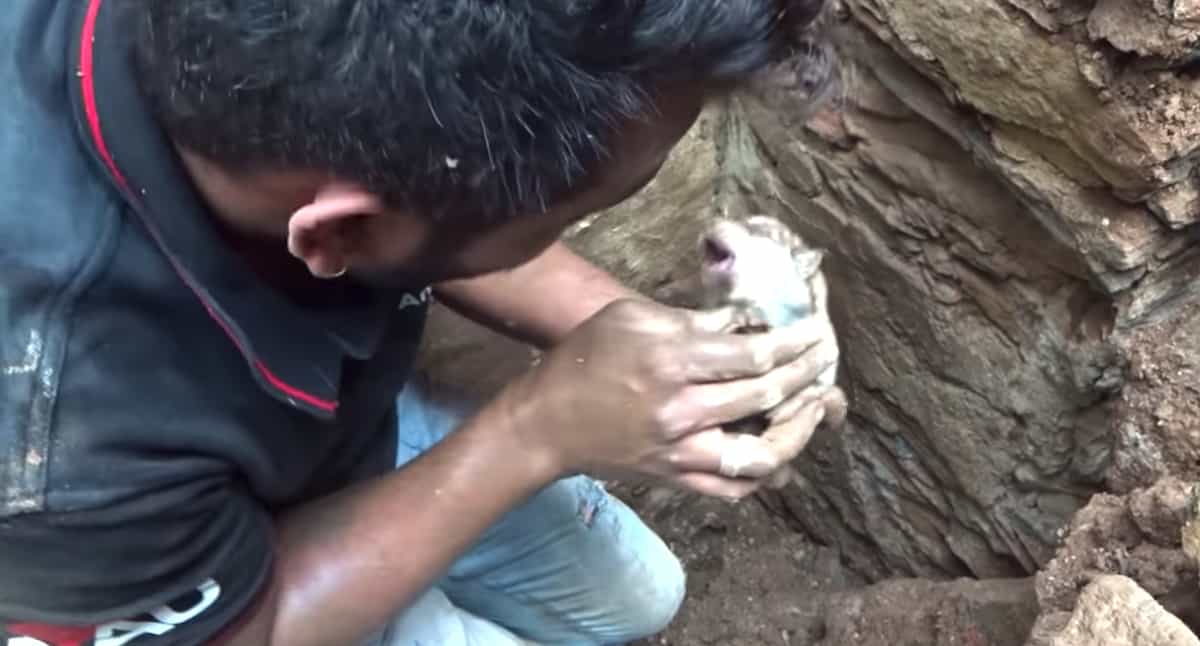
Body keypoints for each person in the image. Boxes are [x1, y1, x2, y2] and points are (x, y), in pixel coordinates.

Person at [0, 0, 841, 644]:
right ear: (341, 232)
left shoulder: (307, 117)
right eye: (562, 215)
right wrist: (537, 430)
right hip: (202, 581)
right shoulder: (56, 451)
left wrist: (673, 355)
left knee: (643, 596)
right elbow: (248, 629)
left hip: (317, 426)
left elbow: (453, 215)